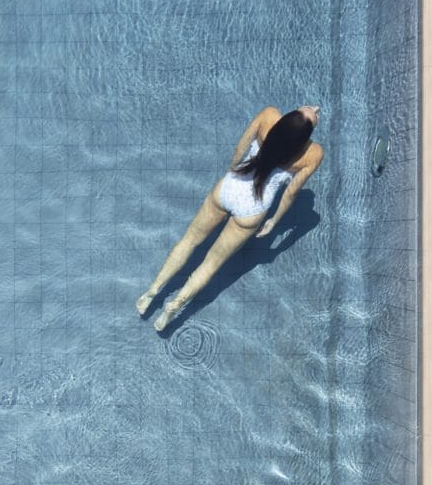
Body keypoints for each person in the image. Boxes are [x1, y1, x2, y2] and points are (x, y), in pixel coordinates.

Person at [137, 105, 324, 332]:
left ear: (286, 119)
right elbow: (291, 193)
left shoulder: (268, 116)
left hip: (231, 187)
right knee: (210, 264)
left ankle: (151, 293)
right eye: (312, 112)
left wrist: (231, 173)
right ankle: (172, 308)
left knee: (189, 241)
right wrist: (273, 222)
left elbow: (239, 149)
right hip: (253, 209)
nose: (315, 107)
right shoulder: (312, 154)